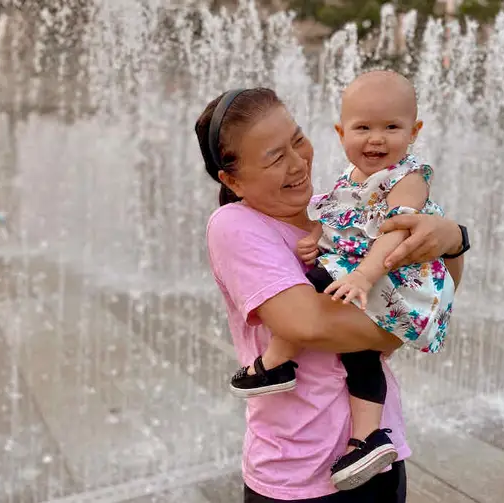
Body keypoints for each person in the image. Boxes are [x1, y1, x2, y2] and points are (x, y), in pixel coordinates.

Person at [197, 87, 468, 502]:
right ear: (232, 180)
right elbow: (310, 324)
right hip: (298, 473)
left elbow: (435, 287)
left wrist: (453, 239)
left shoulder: (335, 213)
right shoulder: (236, 225)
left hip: (377, 455)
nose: (298, 162)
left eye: (297, 139)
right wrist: (408, 325)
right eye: (274, 156)